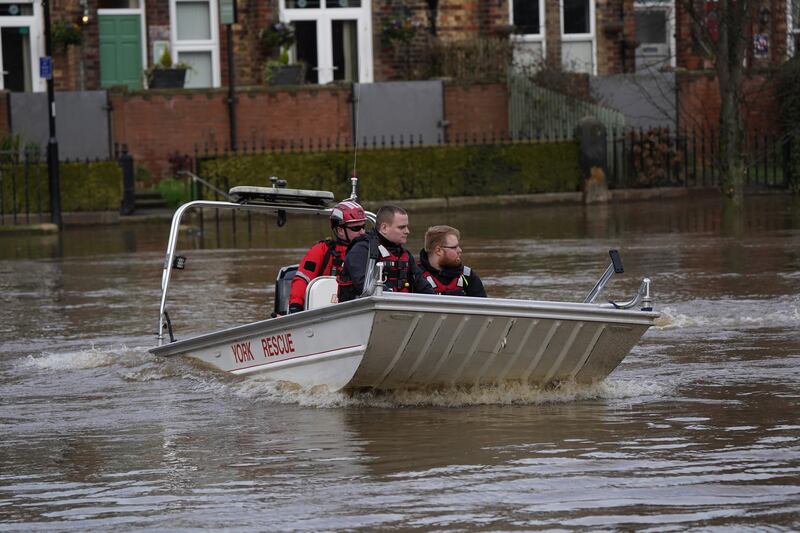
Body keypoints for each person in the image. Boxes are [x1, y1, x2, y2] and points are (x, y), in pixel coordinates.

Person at [337, 204, 434, 302]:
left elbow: (423, 286)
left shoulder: (405, 255)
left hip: (397, 309)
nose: (407, 231)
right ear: (384, 228)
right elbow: (365, 287)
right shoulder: (361, 250)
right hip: (360, 311)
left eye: (406, 227)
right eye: (401, 227)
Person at [288, 200, 366, 313]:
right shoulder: (322, 251)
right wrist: (295, 306)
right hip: (325, 311)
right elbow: (302, 279)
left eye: (363, 226)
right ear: (340, 230)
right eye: (356, 228)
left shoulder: (370, 251)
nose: (362, 232)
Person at [418, 225, 487, 297]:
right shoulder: (415, 276)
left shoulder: (467, 275)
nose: (460, 250)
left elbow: (483, 305)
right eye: (454, 247)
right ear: (438, 250)